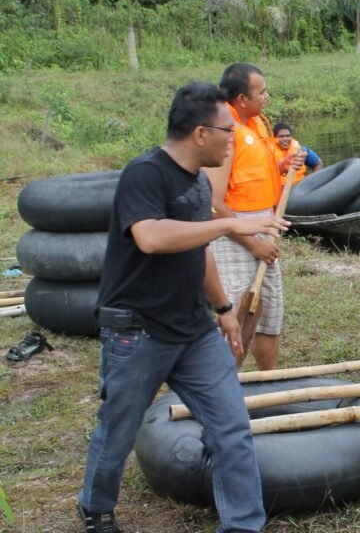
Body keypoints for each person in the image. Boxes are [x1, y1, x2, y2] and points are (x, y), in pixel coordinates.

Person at [78, 82, 289, 533]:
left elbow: (200, 252)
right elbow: (151, 238)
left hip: (193, 330)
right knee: (119, 427)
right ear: (199, 133)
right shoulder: (145, 174)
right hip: (137, 330)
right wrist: (233, 222)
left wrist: (223, 306)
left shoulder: (196, 185)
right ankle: (96, 508)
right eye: (227, 132)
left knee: (231, 427)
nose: (233, 140)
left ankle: (242, 525)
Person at [205, 63, 302, 371]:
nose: (267, 97)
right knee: (236, 317)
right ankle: (225, 390)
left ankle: (268, 381)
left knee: (268, 315)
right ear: (241, 99)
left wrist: (284, 165)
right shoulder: (225, 134)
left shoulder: (257, 126)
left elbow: (254, 175)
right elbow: (213, 202)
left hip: (264, 228)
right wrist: (251, 243)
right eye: (261, 92)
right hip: (235, 236)